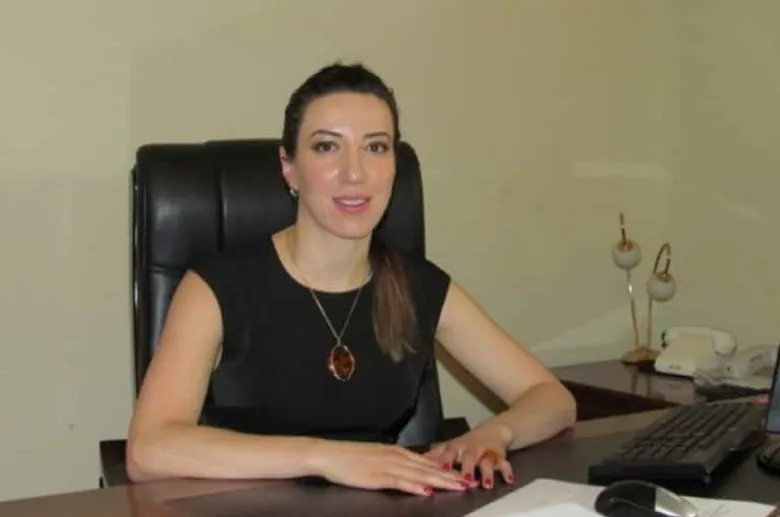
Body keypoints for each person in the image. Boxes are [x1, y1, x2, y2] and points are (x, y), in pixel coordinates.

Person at [126, 62, 577, 497]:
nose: (355, 172)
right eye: (327, 147)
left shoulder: (417, 285)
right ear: (288, 166)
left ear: (394, 166)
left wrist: (496, 432)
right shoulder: (216, 287)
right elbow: (149, 450)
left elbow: (552, 398)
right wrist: (327, 459)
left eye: (375, 147)